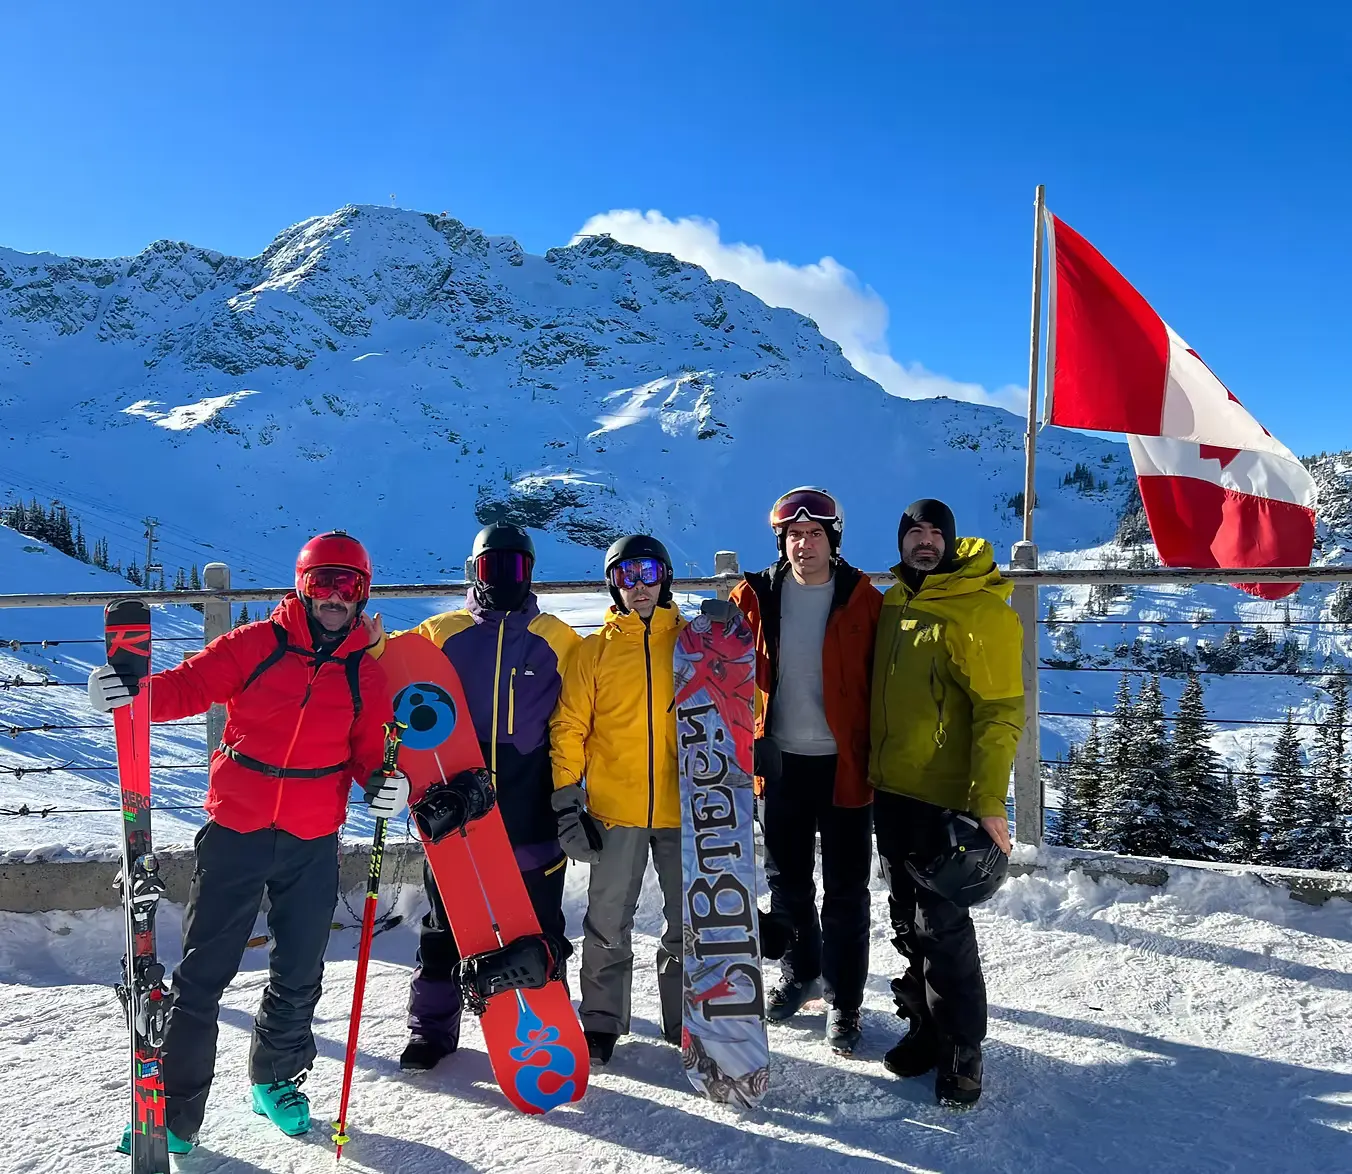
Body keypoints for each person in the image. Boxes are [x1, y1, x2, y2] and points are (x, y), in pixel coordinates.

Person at [88, 531, 398, 1150]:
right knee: (203, 974)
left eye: (348, 585)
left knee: (300, 969)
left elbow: (370, 749)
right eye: (323, 582)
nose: (335, 597)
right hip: (237, 828)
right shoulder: (257, 644)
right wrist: (131, 695)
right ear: (302, 587)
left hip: (313, 837)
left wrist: (384, 782)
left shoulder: (366, 670)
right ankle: (175, 1112)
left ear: (362, 594)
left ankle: (276, 1079)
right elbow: (187, 686)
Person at [367, 522, 581, 1071]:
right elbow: (394, 673)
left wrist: (574, 794)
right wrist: (372, 647)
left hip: (531, 801)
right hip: (456, 801)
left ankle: (548, 1022)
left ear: (531, 573)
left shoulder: (560, 639)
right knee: (445, 923)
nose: (504, 577)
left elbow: (583, 716)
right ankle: (430, 1029)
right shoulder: (441, 632)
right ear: (473, 571)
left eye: (516, 567)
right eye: (492, 567)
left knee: (539, 921)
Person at [868, 499, 1023, 1107]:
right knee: (907, 920)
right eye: (915, 532)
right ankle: (925, 1028)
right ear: (901, 540)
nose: (925, 541)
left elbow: (1000, 711)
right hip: (892, 790)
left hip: (946, 798)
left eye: (937, 533)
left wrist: (988, 799)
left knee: (944, 926)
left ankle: (963, 1050)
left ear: (952, 542)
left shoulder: (979, 609)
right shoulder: (893, 603)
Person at [728, 486, 882, 1056]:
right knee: (787, 884)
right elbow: (718, 664)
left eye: (815, 533)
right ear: (781, 541)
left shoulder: (864, 599)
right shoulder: (755, 596)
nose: (804, 544)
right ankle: (801, 974)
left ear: (833, 539)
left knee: (846, 890)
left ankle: (844, 1000)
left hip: (846, 766)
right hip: (780, 763)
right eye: (794, 534)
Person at [549, 534, 687, 1067]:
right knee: (607, 923)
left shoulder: (691, 643)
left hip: (683, 809)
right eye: (626, 576)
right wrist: (568, 800)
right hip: (614, 810)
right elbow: (569, 728)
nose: (639, 586)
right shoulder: (594, 652)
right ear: (613, 584)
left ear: (665, 577)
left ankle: (685, 1016)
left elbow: (735, 706)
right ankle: (602, 1020)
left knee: (687, 921)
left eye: (648, 573)